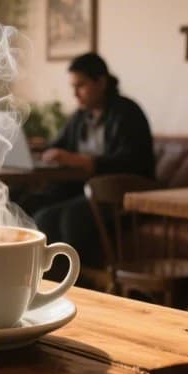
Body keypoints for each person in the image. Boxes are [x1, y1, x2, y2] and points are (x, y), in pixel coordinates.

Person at [27, 52, 155, 270]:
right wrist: (40, 151)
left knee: (70, 218)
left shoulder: (127, 112)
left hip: (119, 195)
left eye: (81, 86)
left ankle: (79, 284)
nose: (75, 94)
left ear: (101, 82)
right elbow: (57, 146)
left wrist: (85, 162)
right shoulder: (80, 117)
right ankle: (47, 281)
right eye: (73, 87)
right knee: (39, 212)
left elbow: (133, 162)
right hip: (83, 191)